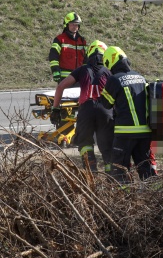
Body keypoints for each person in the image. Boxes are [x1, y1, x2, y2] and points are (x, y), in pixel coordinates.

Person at [51, 40, 114, 172]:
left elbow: (61, 86)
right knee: (107, 147)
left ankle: (91, 174)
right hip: (105, 111)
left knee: (85, 144)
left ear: (89, 54)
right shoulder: (109, 72)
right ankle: (111, 180)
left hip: (86, 111)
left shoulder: (82, 70)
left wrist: (55, 109)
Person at [100, 46, 154, 182]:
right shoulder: (141, 77)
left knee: (120, 168)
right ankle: (153, 196)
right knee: (145, 166)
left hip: (125, 133)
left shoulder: (114, 80)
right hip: (145, 132)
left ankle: (125, 198)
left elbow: (106, 103)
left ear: (109, 63)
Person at [49, 12, 87, 83]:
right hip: (65, 79)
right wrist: (55, 70)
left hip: (79, 78)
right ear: (66, 25)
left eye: (76, 24)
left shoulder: (82, 41)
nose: (75, 26)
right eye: (72, 24)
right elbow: (53, 56)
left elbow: (86, 59)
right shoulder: (60, 39)